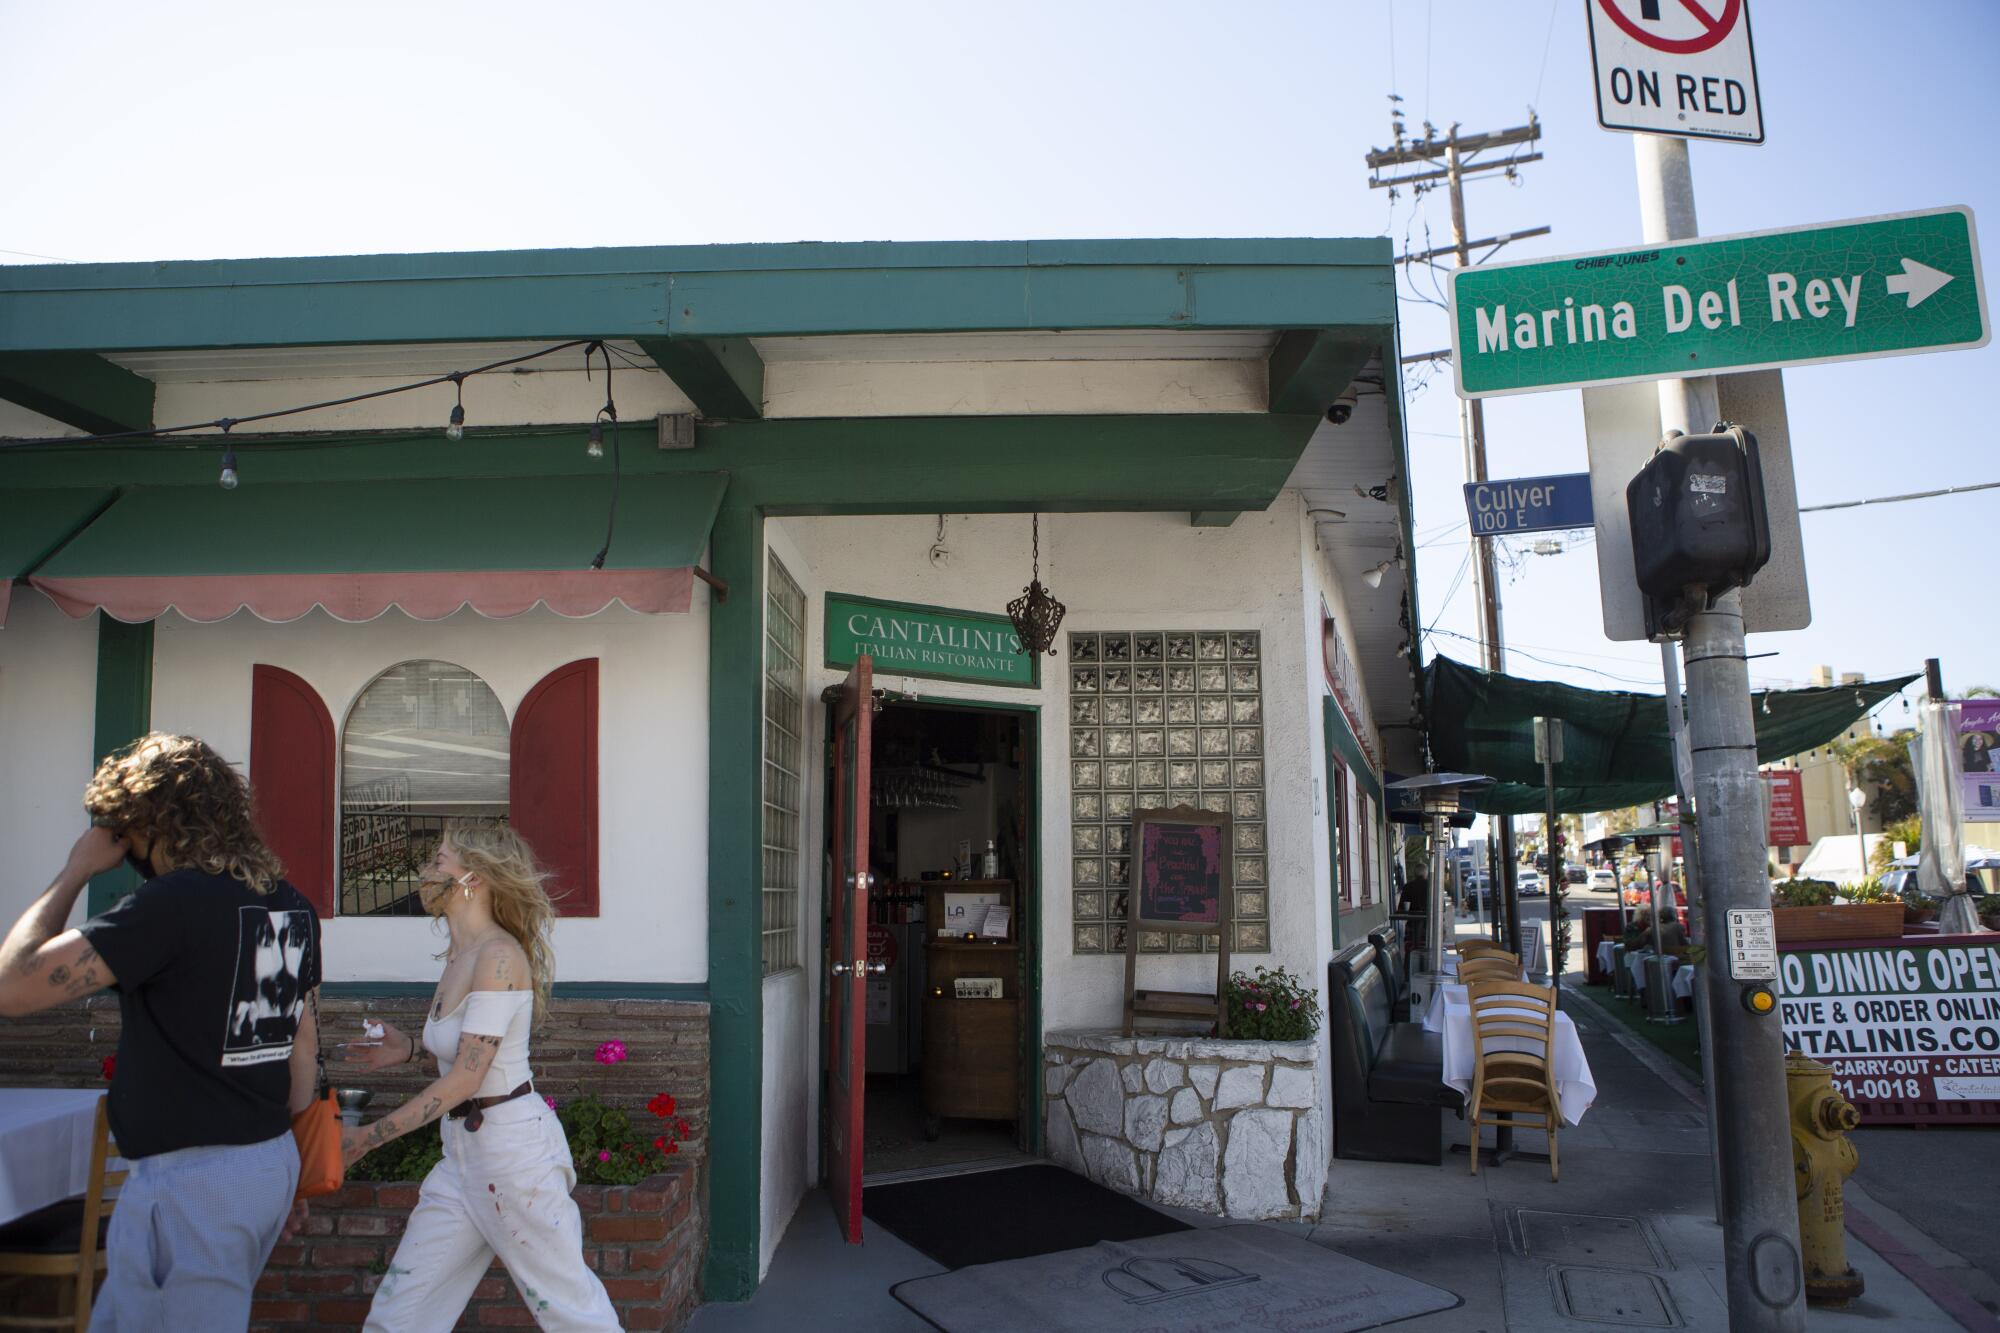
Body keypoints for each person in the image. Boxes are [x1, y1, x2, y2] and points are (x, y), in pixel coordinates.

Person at [0, 733, 322, 1330]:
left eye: (122, 831)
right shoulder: (290, 904)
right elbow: (302, 1043)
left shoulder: (170, 905)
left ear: (147, 824)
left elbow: (13, 986)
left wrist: (75, 870)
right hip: (261, 1162)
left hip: (194, 1183)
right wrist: (296, 1172)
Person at [339, 825, 617, 1332]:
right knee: (401, 1311)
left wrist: (368, 1138)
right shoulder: (459, 955)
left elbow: (468, 1080)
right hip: (463, 1156)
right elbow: (465, 1059)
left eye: (439, 860)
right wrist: (406, 1051)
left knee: (572, 1314)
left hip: (514, 1157)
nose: (427, 872)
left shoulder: (499, 958)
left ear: (473, 877)